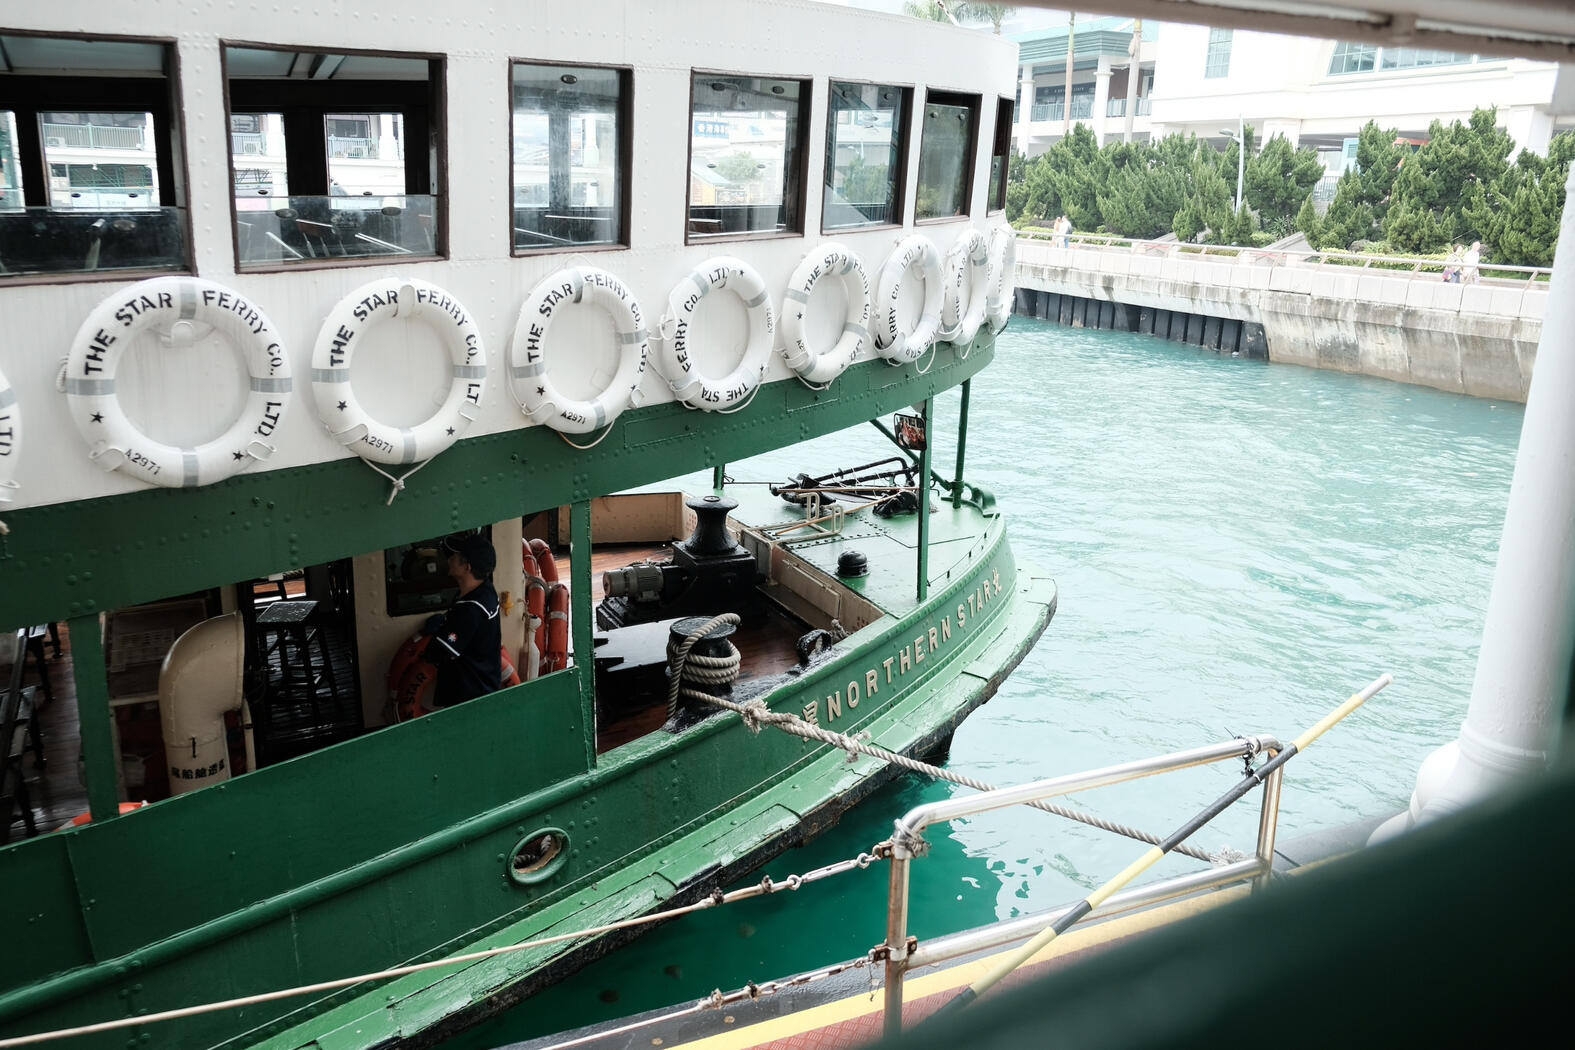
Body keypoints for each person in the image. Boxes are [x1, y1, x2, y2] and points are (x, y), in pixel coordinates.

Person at [421, 532, 502, 706]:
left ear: (467, 567)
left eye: (455, 556)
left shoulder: (470, 609)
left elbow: (438, 653)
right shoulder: (486, 590)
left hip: (468, 698)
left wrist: (436, 635)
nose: (449, 559)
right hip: (485, 688)